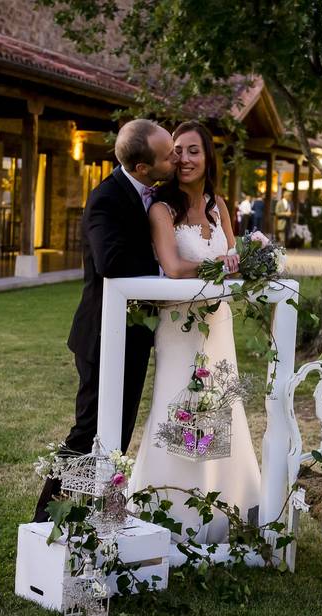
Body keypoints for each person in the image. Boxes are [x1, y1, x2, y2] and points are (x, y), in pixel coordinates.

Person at [32, 119, 180, 522]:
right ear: (141, 167)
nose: (176, 158)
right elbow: (111, 261)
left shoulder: (159, 193)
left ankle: (94, 517)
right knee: (88, 434)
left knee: (117, 437)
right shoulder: (106, 199)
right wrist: (170, 267)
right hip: (102, 336)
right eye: (168, 155)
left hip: (134, 337)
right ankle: (46, 520)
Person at [130, 121, 260, 543]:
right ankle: (171, 515)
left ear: (207, 158)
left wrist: (246, 264)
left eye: (193, 151)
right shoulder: (160, 209)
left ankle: (224, 513)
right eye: (177, 151)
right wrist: (219, 267)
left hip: (218, 326)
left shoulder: (219, 205)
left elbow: (235, 258)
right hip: (179, 328)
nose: (183, 159)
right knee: (179, 406)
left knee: (222, 406)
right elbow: (172, 267)